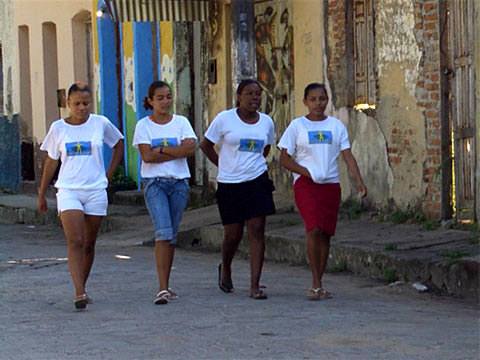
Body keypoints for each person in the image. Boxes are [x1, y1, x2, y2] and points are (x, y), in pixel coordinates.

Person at [37, 82, 124, 310]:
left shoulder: (100, 123)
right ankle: (78, 292)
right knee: (75, 240)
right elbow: (51, 160)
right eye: (76, 104)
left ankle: (82, 286)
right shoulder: (58, 128)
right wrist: (42, 192)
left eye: (86, 103)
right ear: (68, 104)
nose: (82, 108)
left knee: (89, 243)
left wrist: (109, 174)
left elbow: (118, 144)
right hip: (68, 190)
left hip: (96, 190)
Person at [278, 83, 367, 300]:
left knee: (326, 232)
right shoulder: (297, 126)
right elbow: (284, 159)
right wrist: (306, 172)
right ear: (305, 102)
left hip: (330, 185)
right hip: (306, 185)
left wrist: (358, 180)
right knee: (314, 228)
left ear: (327, 100)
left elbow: (347, 155)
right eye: (313, 99)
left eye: (322, 99)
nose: (318, 103)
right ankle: (315, 283)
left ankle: (320, 281)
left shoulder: (336, 127)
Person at [199, 79, 275, 300]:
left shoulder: (266, 122)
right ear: (239, 96)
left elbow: (266, 147)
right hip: (230, 183)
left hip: (257, 180)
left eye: (258, 94)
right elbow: (205, 145)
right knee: (233, 233)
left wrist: (253, 165)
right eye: (249, 94)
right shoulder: (225, 119)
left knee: (257, 228)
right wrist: (223, 164)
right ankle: (226, 268)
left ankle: (255, 285)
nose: (254, 98)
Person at [133, 81, 196, 305]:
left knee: (172, 234)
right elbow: (146, 157)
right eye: (159, 98)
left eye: (168, 97)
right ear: (150, 101)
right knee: (163, 231)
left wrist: (160, 149)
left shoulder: (181, 122)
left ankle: (167, 284)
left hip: (179, 182)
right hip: (155, 183)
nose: (165, 102)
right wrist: (174, 152)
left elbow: (190, 149)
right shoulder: (143, 126)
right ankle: (161, 288)